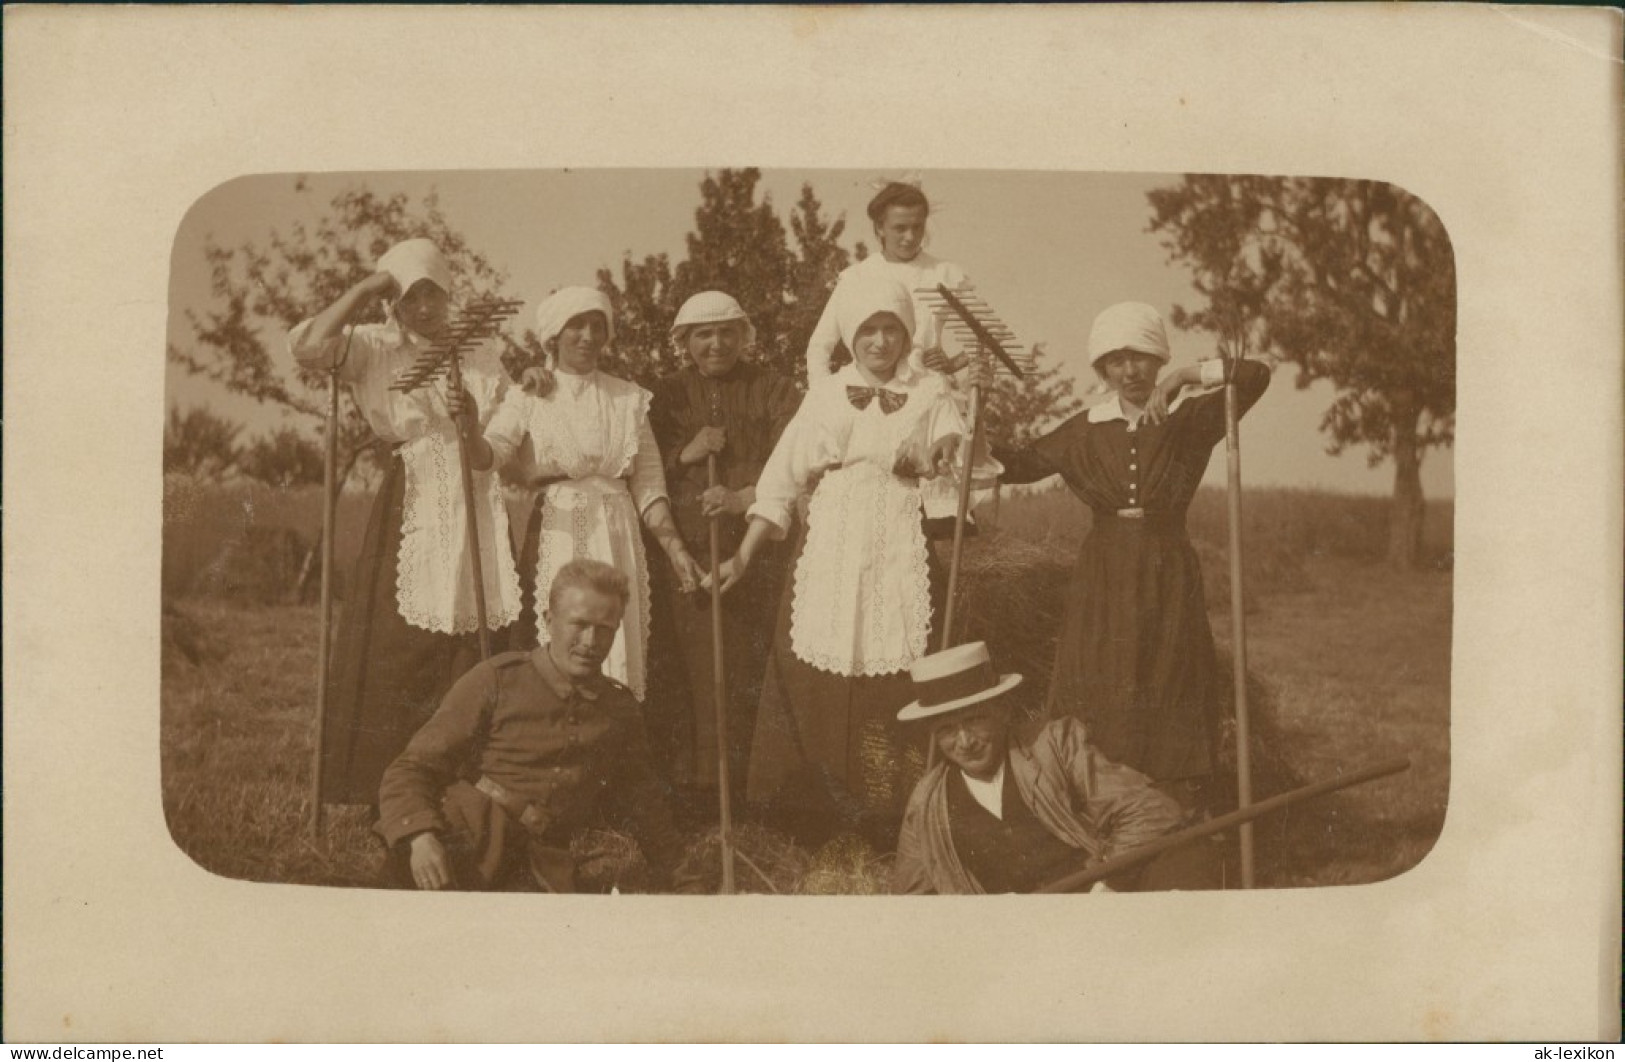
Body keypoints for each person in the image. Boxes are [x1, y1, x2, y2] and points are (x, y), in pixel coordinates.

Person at [710, 274, 994, 848]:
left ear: (906, 336)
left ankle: (895, 815)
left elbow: (960, 450)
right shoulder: (824, 393)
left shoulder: (931, 390)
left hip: (897, 536)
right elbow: (781, 480)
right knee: (815, 665)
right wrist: (742, 557)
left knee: (897, 668)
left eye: (892, 329)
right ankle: (805, 818)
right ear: (850, 336)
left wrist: (954, 437)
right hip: (833, 539)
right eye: (869, 330)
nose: (881, 342)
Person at [993, 301, 1272, 808]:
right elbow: (1018, 464)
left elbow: (1255, 376)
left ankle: (1168, 799)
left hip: (1167, 566)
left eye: (1141, 357)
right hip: (1103, 572)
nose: (1130, 370)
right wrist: (963, 432)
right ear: (1102, 367)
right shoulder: (1084, 428)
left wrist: (1188, 376)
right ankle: (1094, 794)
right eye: (1117, 360)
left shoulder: (1189, 419)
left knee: (1167, 672)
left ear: (1158, 359)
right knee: (1103, 673)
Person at [287, 238, 522, 808]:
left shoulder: (481, 352)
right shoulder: (373, 346)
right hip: (411, 495)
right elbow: (310, 347)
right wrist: (370, 288)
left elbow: (510, 428)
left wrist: (483, 417)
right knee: (402, 636)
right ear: (393, 302)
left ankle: (468, 777)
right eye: (409, 296)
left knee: (475, 630)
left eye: (432, 294)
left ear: (447, 295)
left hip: (475, 495)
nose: (422, 308)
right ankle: (386, 781)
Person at [376, 559, 700, 893]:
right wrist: (420, 837)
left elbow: (644, 802)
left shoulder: (618, 709)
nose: (591, 641)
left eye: (605, 628)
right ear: (549, 621)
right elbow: (411, 768)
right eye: (579, 624)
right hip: (461, 838)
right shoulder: (497, 680)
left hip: (537, 866)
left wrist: (682, 879)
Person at [482, 286, 702, 702]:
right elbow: (492, 452)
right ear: (553, 336)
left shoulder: (629, 398)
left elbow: (649, 486)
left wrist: (675, 550)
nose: (587, 336)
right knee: (553, 640)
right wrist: (469, 431)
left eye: (597, 326)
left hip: (619, 537)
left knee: (616, 644)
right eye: (575, 325)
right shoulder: (530, 393)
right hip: (557, 532)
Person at [891, 641, 1220, 895]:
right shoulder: (927, 803)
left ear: (1002, 711)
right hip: (1013, 937)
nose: (964, 741)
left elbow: (1151, 810)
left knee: (1188, 859)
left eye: (975, 720)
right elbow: (912, 898)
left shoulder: (1052, 745)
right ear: (932, 732)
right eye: (948, 729)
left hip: (1094, 902)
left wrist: (1108, 883)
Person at [644, 291, 801, 810]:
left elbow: (794, 466)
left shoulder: (775, 389)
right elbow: (640, 471)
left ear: (745, 335)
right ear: (684, 341)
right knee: (689, 666)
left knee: (746, 667)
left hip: (755, 548)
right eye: (703, 334)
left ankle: (750, 792)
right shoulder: (663, 397)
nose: (716, 344)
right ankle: (694, 794)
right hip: (685, 550)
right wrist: (687, 452)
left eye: (727, 331)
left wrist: (739, 496)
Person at [804, 180, 979, 534]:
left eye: (918, 227)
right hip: (870, 399)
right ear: (879, 228)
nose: (910, 237)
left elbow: (981, 340)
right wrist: (828, 401)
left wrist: (953, 363)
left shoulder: (944, 274)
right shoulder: (857, 277)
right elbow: (819, 347)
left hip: (926, 396)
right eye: (899, 228)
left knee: (931, 519)